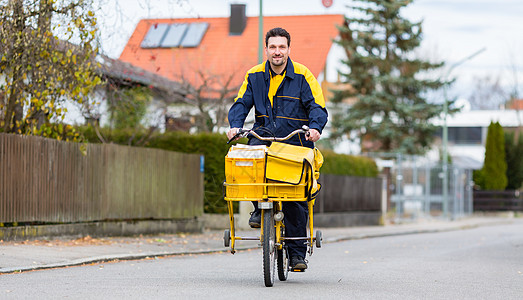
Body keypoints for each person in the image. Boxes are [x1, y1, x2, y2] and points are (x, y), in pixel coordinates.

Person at [227, 27, 328, 271]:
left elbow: (317, 107)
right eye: (273, 47)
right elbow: (241, 103)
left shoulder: (303, 75)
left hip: (295, 141)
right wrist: (235, 126)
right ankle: (257, 209)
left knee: (295, 198)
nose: (277, 52)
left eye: (282, 47)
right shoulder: (254, 75)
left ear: (288, 49)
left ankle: (296, 255)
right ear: (266, 50)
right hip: (264, 136)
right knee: (246, 162)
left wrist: (315, 128)